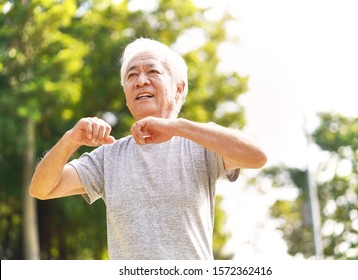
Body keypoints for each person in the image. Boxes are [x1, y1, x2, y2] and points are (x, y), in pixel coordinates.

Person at [29, 38, 267, 260]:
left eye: (153, 71)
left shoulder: (201, 144)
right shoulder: (108, 156)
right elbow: (41, 189)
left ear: (179, 89)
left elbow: (257, 157)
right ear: (126, 96)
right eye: (132, 75)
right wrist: (70, 140)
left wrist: (177, 127)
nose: (141, 80)